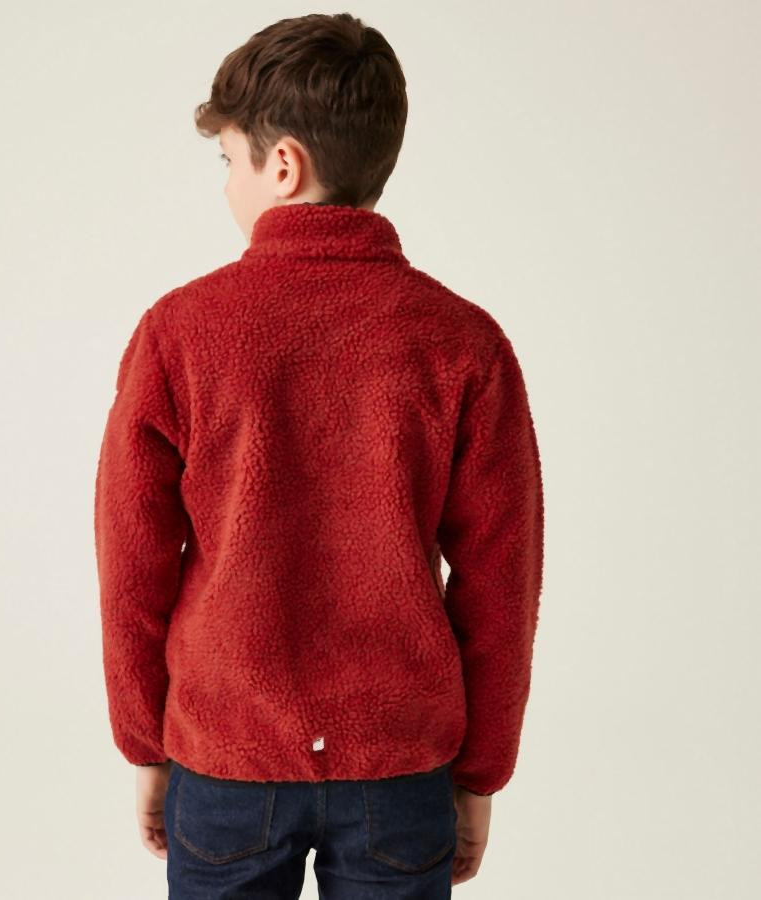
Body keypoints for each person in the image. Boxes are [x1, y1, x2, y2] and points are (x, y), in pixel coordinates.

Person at [94, 12, 544, 898]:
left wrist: (146, 743)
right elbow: (503, 579)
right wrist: (480, 771)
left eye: (230, 160)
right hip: (400, 768)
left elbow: (132, 560)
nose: (228, 183)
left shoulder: (178, 334)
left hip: (226, 757)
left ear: (284, 165)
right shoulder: (463, 342)